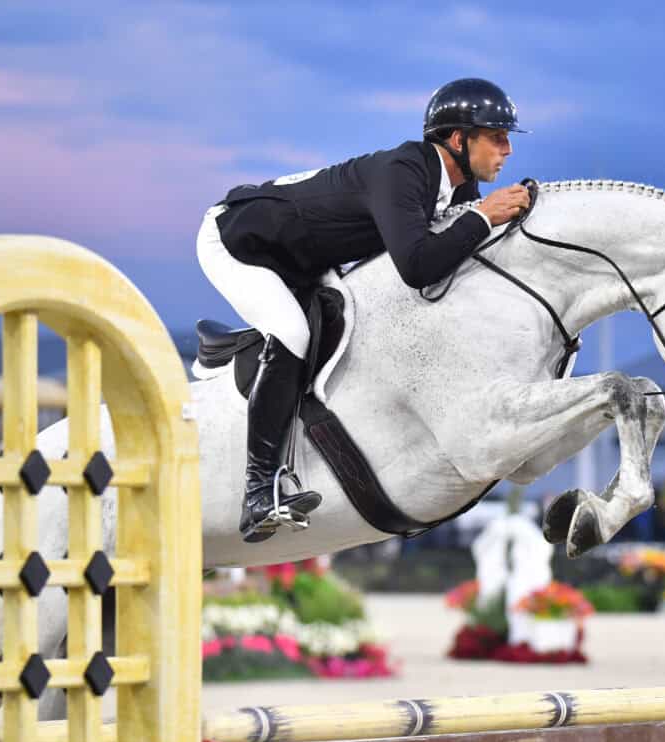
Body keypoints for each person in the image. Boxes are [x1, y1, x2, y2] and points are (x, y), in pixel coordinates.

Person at [196, 78, 532, 543]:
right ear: (459, 139)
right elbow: (417, 266)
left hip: (304, 257)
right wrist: (483, 217)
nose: (508, 148)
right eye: (497, 136)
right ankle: (258, 491)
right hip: (240, 241)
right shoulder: (405, 170)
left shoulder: (456, 187)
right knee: (293, 332)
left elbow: (460, 254)